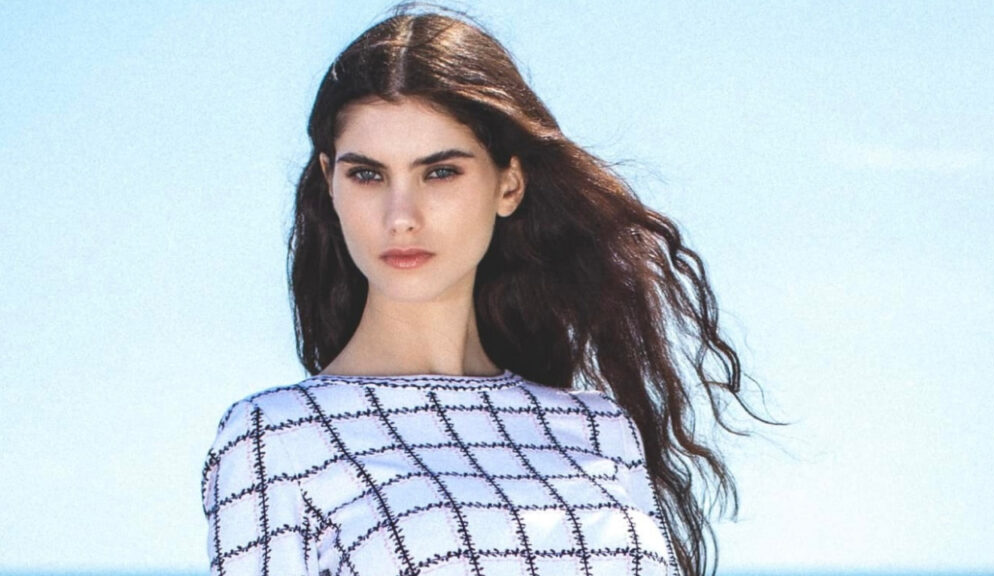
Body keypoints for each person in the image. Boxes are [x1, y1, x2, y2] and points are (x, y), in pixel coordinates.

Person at [202, 7, 757, 576]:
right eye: (367, 174)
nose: (401, 216)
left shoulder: (600, 429)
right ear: (330, 184)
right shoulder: (277, 437)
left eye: (440, 172)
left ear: (508, 185)